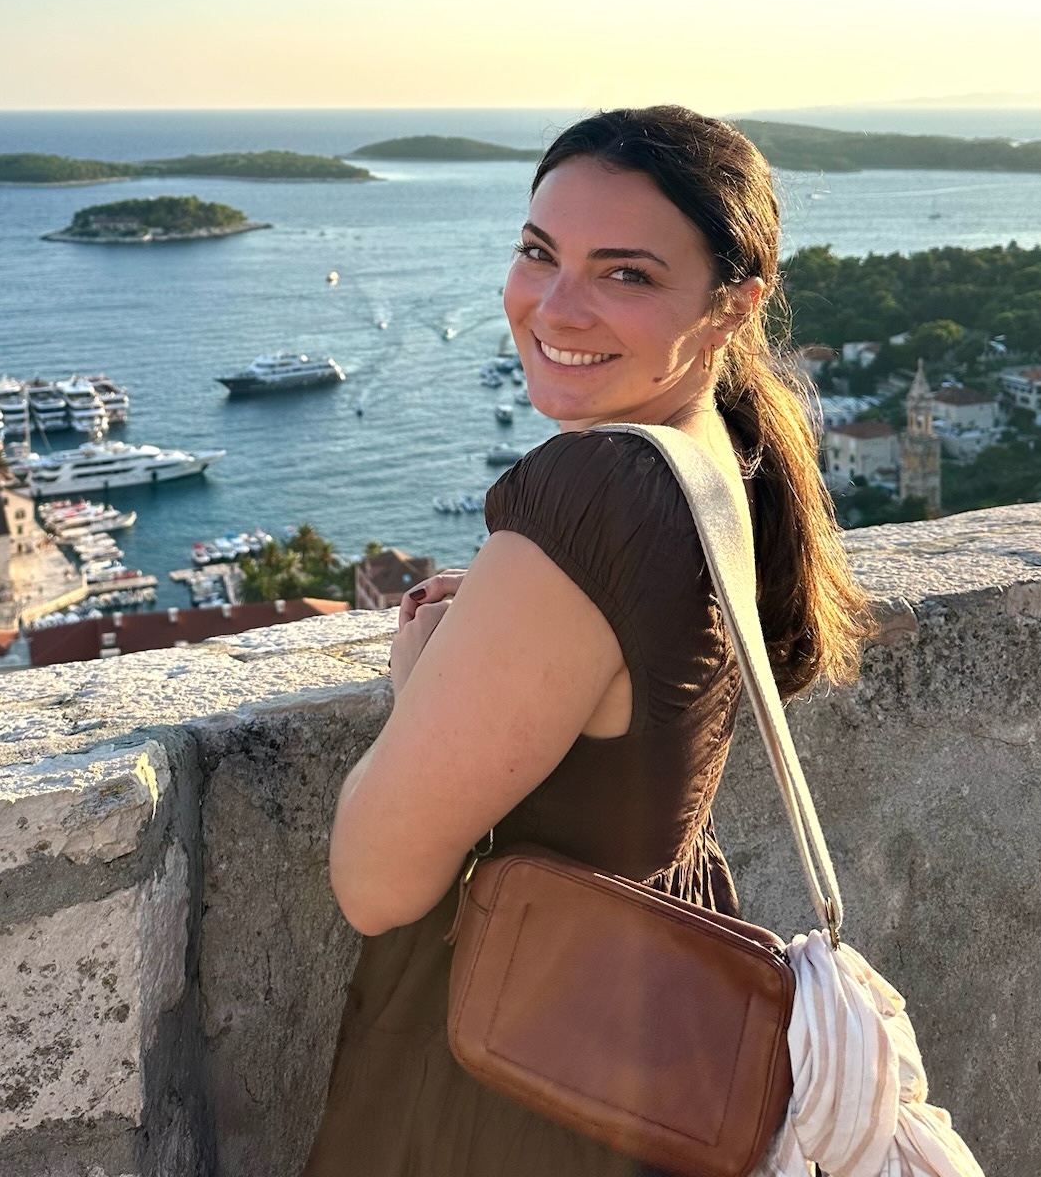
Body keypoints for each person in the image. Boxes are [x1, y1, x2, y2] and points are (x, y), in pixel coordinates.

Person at [306, 105, 872, 1177]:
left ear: (731, 305)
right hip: (642, 1036)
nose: (553, 304)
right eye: (538, 251)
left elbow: (376, 881)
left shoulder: (595, 491)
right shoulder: (720, 456)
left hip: (517, 1090)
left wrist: (416, 681)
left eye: (624, 272)